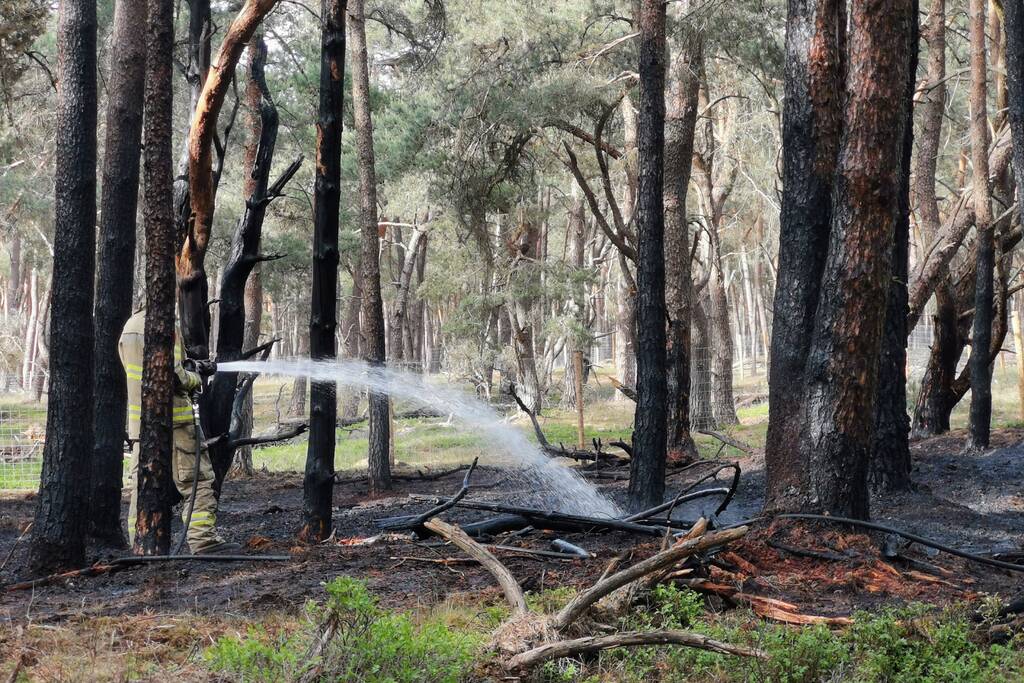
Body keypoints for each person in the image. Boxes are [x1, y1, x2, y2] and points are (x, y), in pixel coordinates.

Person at [119, 307, 240, 554]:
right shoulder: (163, 325)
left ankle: (139, 544)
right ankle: (203, 540)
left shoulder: (130, 327)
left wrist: (189, 365)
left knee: (142, 487)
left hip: (141, 427)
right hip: (177, 422)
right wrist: (195, 377)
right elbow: (173, 376)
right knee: (199, 479)